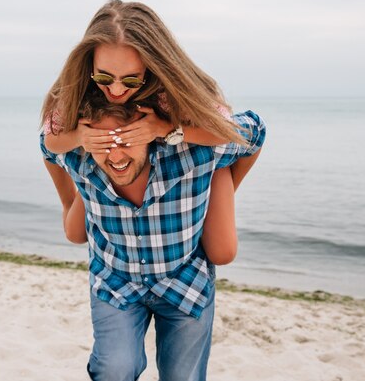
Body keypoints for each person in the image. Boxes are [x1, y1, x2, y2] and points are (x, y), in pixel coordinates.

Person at [40, 100, 265, 381]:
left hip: (184, 281)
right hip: (117, 279)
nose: (116, 155)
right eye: (104, 144)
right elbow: (47, 145)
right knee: (114, 369)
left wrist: (226, 186)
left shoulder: (187, 154)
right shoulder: (82, 155)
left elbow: (255, 133)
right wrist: (67, 199)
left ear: (149, 136)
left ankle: (218, 173)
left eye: (126, 141)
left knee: (182, 376)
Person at [41, 0, 261, 264]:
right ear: (90, 66)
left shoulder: (168, 92)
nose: (117, 90)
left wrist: (168, 129)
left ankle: (213, 182)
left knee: (223, 253)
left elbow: (225, 131)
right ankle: (73, 202)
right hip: (107, 167)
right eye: (104, 78)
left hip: (189, 151)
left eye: (131, 79)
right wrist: (79, 138)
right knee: (74, 234)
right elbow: (49, 142)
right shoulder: (78, 88)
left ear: (152, 66)